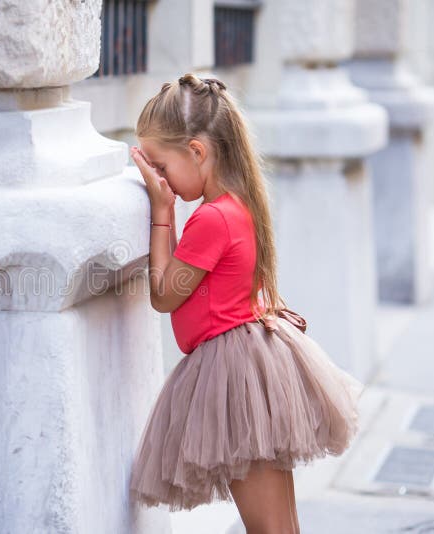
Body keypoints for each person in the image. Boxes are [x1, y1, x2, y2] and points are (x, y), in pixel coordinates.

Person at [127, 72, 364, 534]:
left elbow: (163, 294)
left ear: (197, 152)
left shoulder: (212, 219)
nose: (161, 180)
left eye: (161, 166)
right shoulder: (238, 204)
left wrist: (161, 212)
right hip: (253, 368)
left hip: (236, 377)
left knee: (269, 527)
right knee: (281, 524)